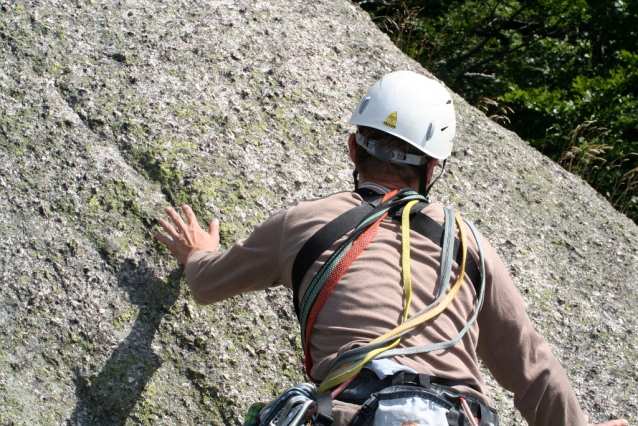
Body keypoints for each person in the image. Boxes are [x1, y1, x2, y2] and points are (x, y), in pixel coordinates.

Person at [154, 71, 628, 426]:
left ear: (352, 148)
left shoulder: (302, 222)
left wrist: (198, 251)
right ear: (433, 167)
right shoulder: (469, 245)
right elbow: (533, 368)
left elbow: (206, 284)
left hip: (352, 409)